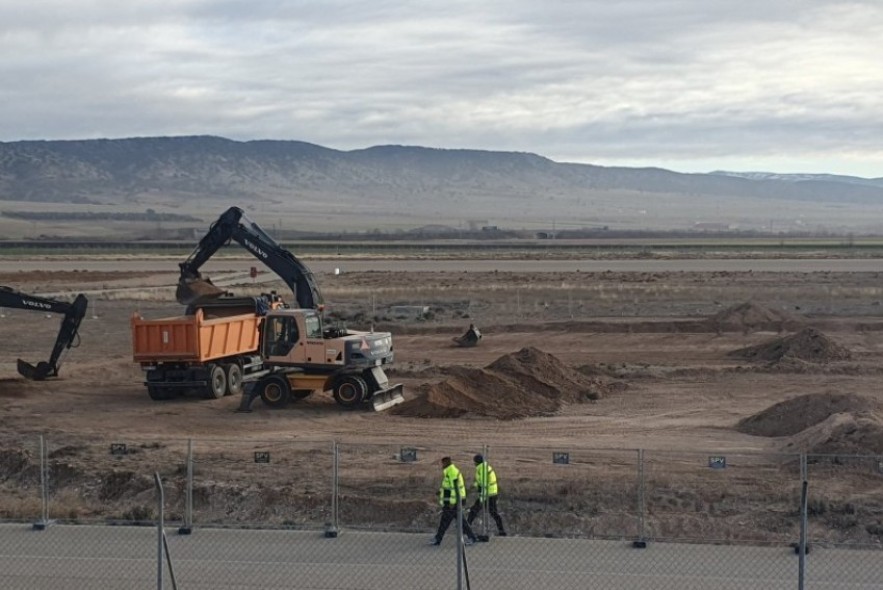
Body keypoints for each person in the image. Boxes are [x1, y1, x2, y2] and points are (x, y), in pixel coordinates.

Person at [430, 456, 478, 546]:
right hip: (454, 501)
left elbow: (454, 489)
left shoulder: (451, 472)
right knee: (460, 521)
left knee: (445, 521)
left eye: (442, 463)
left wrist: (452, 502)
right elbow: (448, 486)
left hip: (453, 502)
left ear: (446, 463)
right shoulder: (449, 471)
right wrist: (441, 491)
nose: (441, 465)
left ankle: (438, 539)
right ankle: (472, 537)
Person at [467, 454, 507, 536]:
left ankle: (466, 528)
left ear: (477, 462)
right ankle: (502, 531)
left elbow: (483, 485)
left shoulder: (482, 469)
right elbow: (481, 482)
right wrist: (474, 485)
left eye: (474, 462)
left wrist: (482, 499)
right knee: (494, 513)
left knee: (474, 510)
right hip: (492, 493)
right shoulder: (484, 467)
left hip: (487, 494)